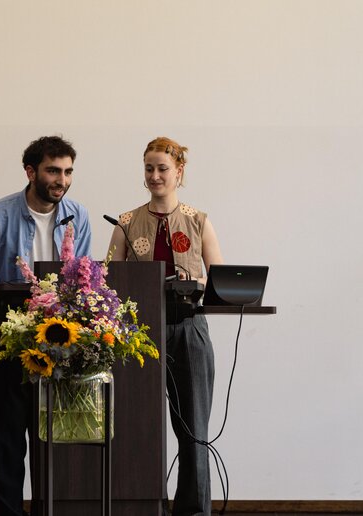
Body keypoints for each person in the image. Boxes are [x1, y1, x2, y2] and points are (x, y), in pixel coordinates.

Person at [0, 135, 92, 516]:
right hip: (6, 344)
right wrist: (20, 326)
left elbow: (84, 278)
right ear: (31, 171)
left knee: (57, 441)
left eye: (68, 171)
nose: (62, 180)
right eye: (53, 170)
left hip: (61, 345)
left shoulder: (79, 215)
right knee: (7, 442)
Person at [108, 136, 223, 516]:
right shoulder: (125, 223)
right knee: (135, 424)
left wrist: (191, 285)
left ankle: (192, 511)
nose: (155, 176)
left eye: (162, 169)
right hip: (139, 335)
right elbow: (108, 283)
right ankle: (136, 505)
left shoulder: (198, 220)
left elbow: (218, 279)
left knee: (193, 431)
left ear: (179, 172)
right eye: (149, 168)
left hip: (189, 328)